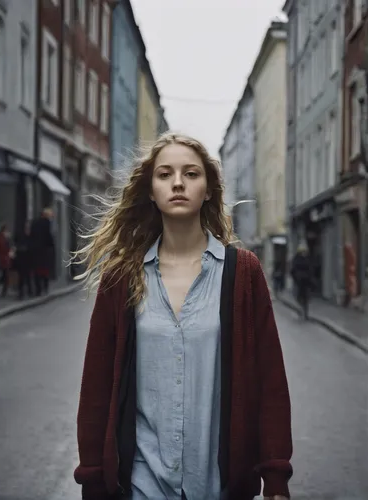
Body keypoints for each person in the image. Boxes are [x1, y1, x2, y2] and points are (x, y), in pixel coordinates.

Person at [73, 133, 293, 500]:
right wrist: (93, 478)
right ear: (150, 190)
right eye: (165, 174)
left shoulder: (243, 274)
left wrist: (275, 477)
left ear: (208, 189)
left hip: (218, 485)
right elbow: (96, 385)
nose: (178, 183)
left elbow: (269, 380)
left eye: (191, 174)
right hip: (140, 484)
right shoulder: (121, 276)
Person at [30, 208, 55, 296]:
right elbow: (48, 236)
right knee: (44, 269)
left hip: (35, 250)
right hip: (44, 250)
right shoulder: (46, 223)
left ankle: (38, 289)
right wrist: (51, 245)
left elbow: (31, 235)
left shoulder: (34, 223)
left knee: (37, 270)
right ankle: (45, 287)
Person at [290, 243, 312, 320]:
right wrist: (296, 278)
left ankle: (305, 313)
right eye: (303, 251)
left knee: (306, 298)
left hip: (306, 282)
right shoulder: (296, 259)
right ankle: (301, 309)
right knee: (299, 297)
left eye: (305, 251)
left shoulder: (308, 259)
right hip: (298, 282)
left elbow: (310, 269)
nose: (304, 253)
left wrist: (310, 278)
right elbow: (292, 270)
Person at [14, 220, 34, 299]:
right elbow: (17, 244)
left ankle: (29, 291)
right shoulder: (21, 235)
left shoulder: (30, 236)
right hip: (22, 259)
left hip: (28, 259)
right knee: (22, 276)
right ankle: (21, 292)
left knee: (28, 276)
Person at [0, 223, 12, 297]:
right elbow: (3, 248)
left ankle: (4, 291)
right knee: (5, 276)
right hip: (3, 259)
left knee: (4, 276)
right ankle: (3, 291)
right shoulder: (1, 238)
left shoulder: (2, 238)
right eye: (7, 230)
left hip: (4, 259)